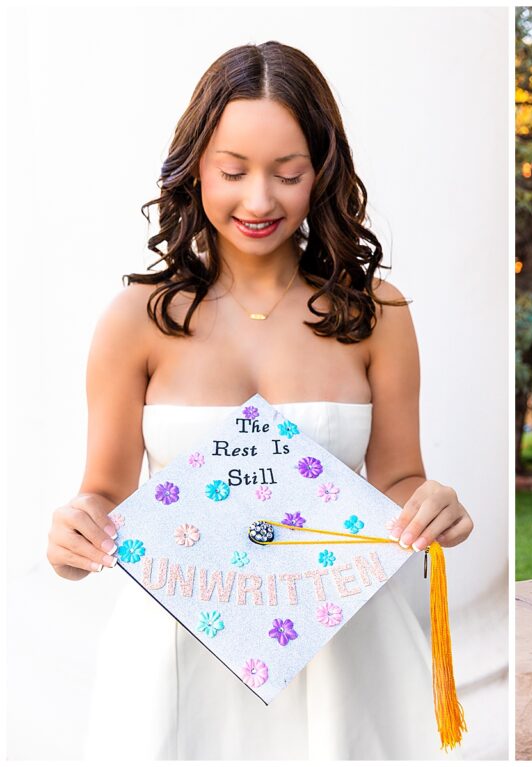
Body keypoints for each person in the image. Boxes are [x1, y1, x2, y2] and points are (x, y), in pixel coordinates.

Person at [45, 41, 473, 760]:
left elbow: (398, 478)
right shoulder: (136, 318)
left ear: (322, 172)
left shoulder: (377, 311)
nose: (259, 200)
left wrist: (435, 505)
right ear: (195, 169)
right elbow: (105, 495)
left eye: (288, 172)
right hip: (181, 656)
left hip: (347, 652)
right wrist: (72, 534)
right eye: (233, 170)